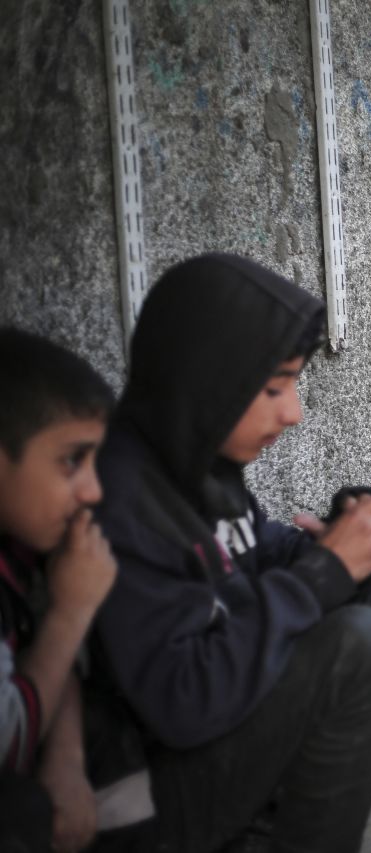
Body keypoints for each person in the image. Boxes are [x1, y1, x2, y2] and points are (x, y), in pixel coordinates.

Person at [91, 254, 371, 852]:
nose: (293, 412)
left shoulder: (202, 471)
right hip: (135, 807)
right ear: (205, 381)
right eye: (271, 388)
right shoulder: (121, 496)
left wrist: (359, 550)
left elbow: (260, 555)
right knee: (359, 648)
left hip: (202, 759)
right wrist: (321, 576)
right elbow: (179, 700)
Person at [0, 329, 120, 852]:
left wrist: (65, 759)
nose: (93, 491)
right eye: (72, 461)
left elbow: (48, 663)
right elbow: (6, 745)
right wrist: (72, 613)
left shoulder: (23, 549)